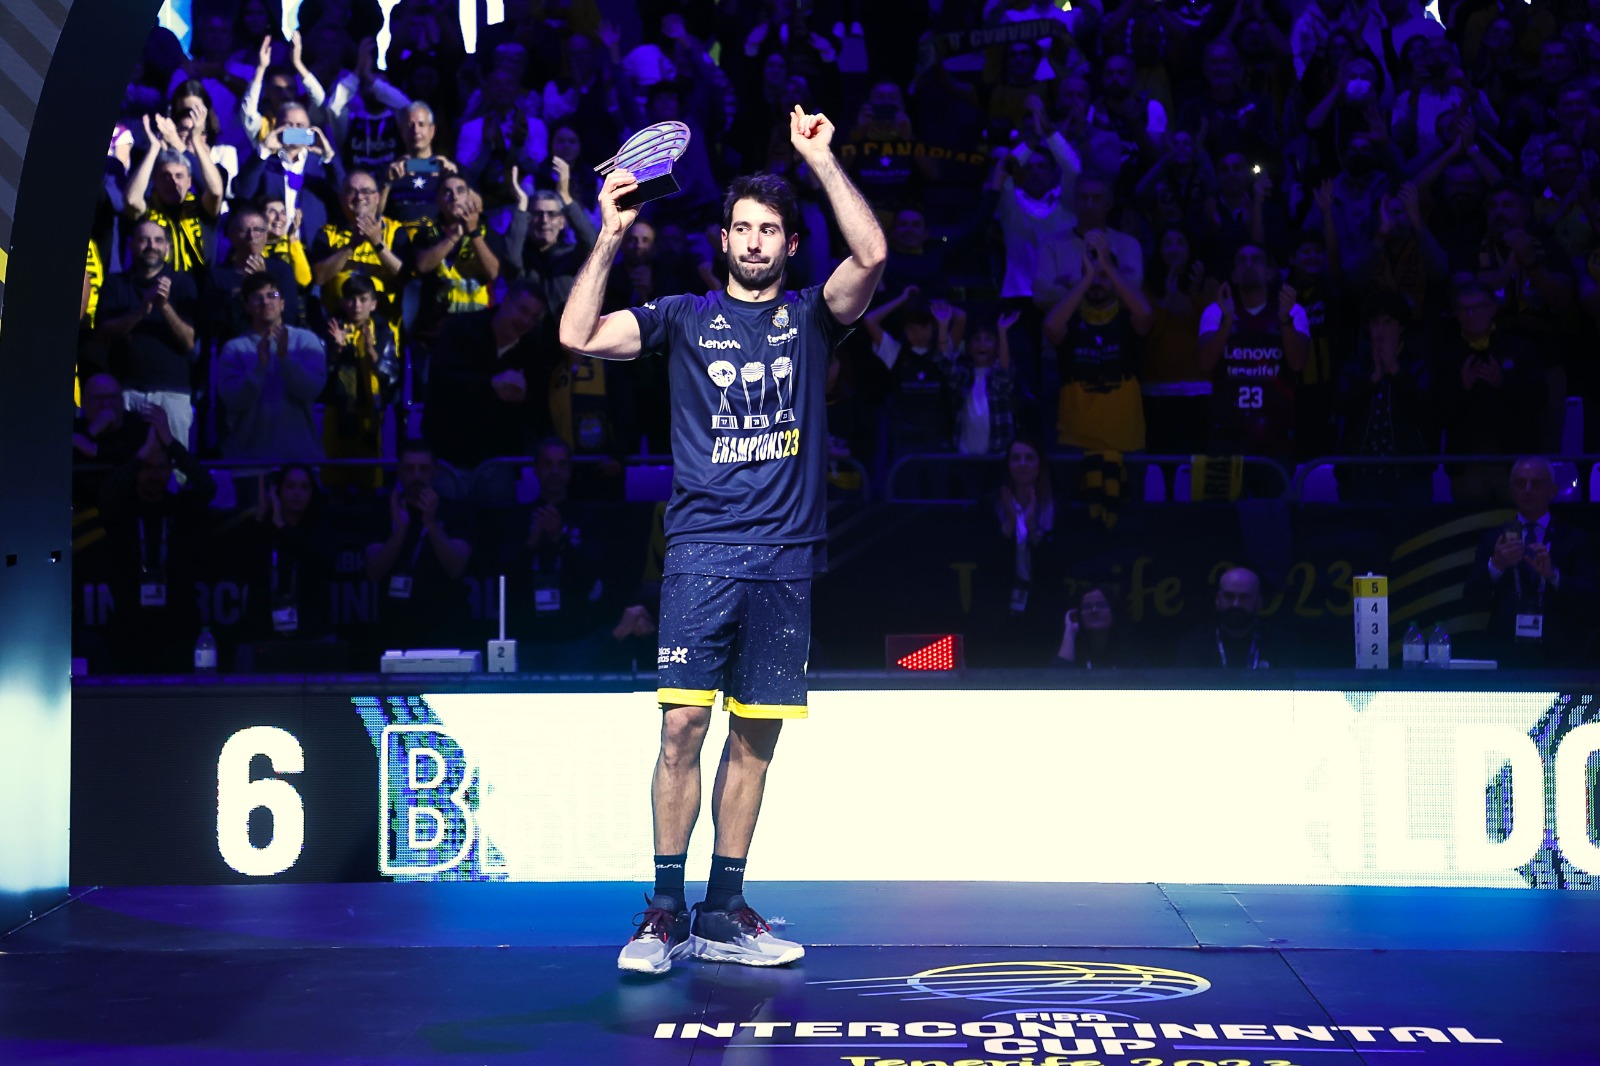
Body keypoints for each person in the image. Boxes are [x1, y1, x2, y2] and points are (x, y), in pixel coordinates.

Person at [559, 105, 886, 973]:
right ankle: (663, 914)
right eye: (741, 227)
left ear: (789, 244)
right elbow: (576, 334)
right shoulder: (680, 317)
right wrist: (608, 236)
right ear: (723, 239)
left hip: (784, 562)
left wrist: (821, 160)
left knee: (755, 742)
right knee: (681, 731)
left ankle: (722, 911)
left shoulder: (814, 318)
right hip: (702, 555)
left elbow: (872, 256)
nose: (753, 241)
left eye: (768, 230)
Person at [1463, 457, 1596, 667]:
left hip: (1560, 652)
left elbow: (1590, 601)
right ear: (1510, 490)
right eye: (1520, 483)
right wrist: (1496, 566)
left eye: (1536, 483)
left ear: (1552, 490)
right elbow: (1471, 599)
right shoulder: (1494, 539)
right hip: (1505, 651)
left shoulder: (1575, 539)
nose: (1527, 489)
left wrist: (1553, 576)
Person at [92, 220, 200, 450]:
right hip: (125, 393)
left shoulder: (183, 283)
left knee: (174, 465)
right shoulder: (115, 284)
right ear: (131, 245)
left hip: (172, 394)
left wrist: (164, 307)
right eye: (144, 240)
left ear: (168, 248)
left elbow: (189, 341)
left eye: (158, 240)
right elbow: (103, 334)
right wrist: (142, 310)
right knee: (125, 463)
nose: (152, 246)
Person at [216, 273, 327, 465]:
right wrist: (259, 369)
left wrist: (286, 360)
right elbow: (232, 401)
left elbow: (312, 390)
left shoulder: (306, 341)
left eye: (272, 295)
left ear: (282, 303)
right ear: (246, 306)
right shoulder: (234, 349)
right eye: (257, 297)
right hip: (249, 461)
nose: (265, 302)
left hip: (299, 462)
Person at [1172, 566, 1282, 668]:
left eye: (1244, 597)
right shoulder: (1194, 644)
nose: (1236, 604)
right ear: (1217, 600)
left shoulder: (1280, 644)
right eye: (1229, 596)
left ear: (1259, 602)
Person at [1053, 584, 1135, 669]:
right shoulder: (1071, 645)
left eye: (1101, 605)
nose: (1094, 610)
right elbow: (1057, 675)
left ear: (1113, 611)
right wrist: (1069, 631)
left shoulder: (1129, 650)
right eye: (1087, 607)